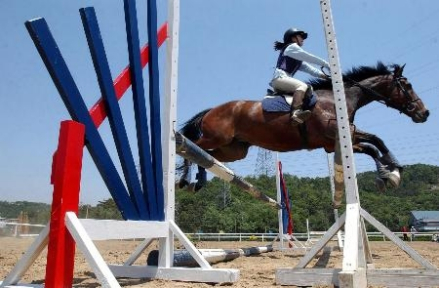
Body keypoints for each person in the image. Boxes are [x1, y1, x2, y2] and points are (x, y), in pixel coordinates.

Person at [271, 28, 330, 125]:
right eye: (301, 37)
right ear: (293, 38)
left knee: (309, 89)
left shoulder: (296, 58)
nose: (303, 39)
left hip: (283, 80)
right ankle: (295, 114)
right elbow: (308, 57)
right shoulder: (292, 47)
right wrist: (326, 64)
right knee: (302, 86)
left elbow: (310, 69)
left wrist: (325, 77)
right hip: (280, 79)